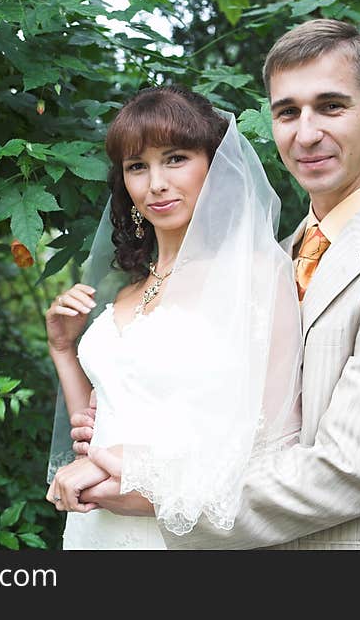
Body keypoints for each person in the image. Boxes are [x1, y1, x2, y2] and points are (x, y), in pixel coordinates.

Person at [72, 18, 360, 550]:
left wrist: (156, 486)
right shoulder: (277, 257)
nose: (306, 133)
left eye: (331, 106)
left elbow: (350, 470)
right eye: (288, 112)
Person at [44, 86, 303, 549]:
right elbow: (101, 421)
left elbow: (268, 445)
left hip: (180, 534)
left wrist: (116, 476)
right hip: (95, 530)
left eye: (176, 159)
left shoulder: (258, 278)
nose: (155, 183)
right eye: (137, 166)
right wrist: (63, 349)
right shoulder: (129, 290)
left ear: (215, 165)